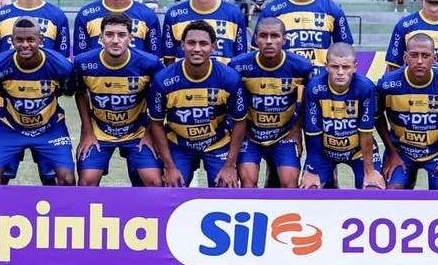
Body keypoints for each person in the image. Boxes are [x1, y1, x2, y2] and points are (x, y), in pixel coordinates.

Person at [148, 21, 248, 188]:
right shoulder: (163, 79)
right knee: (172, 186)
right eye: (191, 43)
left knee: (225, 185)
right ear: (182, 46)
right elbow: (156, 123)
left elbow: (240, 121)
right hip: (179, 143)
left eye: (203, 44)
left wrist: (230, 165)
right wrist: (169, 167)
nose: (197, 49)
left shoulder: (229, 78)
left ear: (213, 47)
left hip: (216, 142)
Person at [71, 13, 165, 186]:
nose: (115, 40)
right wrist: (87, 132)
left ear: (131, 38)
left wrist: (149, 133)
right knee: (86, 183)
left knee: (155, 182)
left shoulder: (150, 64)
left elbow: (159, 100)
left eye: (121, 35)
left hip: (137, 132)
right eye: (109, 34)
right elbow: (81, 93)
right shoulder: (83, 63)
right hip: (100, 132)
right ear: (100, 37)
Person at [0, 19, 77, 186]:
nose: (25, 45)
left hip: (50, 127)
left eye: (31, 40)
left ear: (41, 40)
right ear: (12, 40)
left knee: (67, 180)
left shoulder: (61, 66)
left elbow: (66, 92)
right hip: (9, 126)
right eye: (19, 40)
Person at [230, 17, 315, 189]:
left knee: (290, 184)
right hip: (251, 135)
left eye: (274, 36)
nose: (269, 41)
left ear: (284, 40)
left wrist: (298, 126)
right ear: (256, 39)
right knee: (248, 183)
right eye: (263, 36)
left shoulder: (302, 66)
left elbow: (311, 100)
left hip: (284, 135)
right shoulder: (238, 66)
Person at [375, 34, 438, 190]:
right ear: (405, 57)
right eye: (414, 55)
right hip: (401, 150)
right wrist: (392, 153)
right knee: (393, 191)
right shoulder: (387, 85)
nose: (420, 61)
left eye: (425, 56)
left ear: (434, 58)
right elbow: (377, 116)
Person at [300, 42, 384, 190]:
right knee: (310, 188)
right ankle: (328, 177)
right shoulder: (314, 88)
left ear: (355, 67)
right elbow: (313, 134)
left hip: (358, 152)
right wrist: (312, 170)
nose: (340, 72)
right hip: (325, 152)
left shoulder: (366, 87)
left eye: (345, 67)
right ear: (326, 66)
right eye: (335, 66)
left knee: (373, 189)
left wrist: (369, 171)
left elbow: (366, 133)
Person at [162, 0, 248, 63]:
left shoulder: (234, 14)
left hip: (224, 74)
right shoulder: (174, 15)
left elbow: (241, 60)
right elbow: (168, 61)